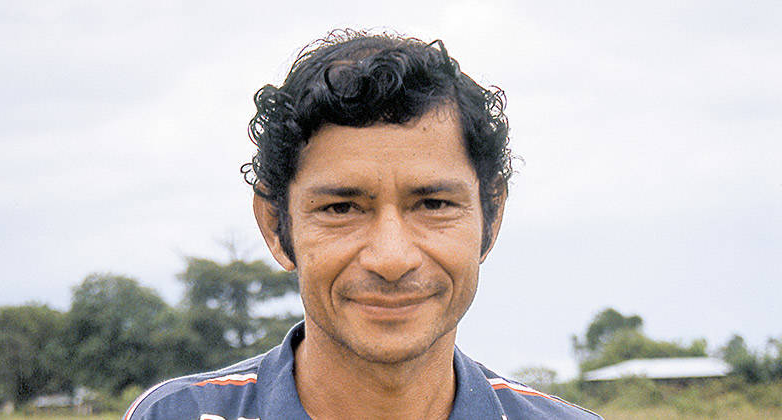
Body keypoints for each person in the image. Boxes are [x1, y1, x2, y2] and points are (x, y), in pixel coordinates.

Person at [124, 30, 602, 420]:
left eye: (433, 204)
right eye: (342, 209)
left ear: (491, 216)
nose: (392, 259)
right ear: (274, 224)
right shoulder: (174, 416)